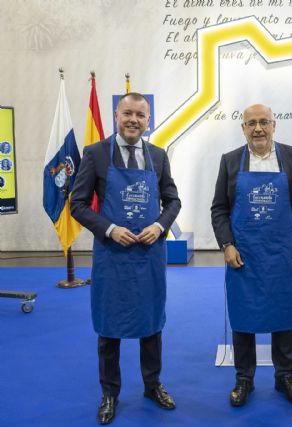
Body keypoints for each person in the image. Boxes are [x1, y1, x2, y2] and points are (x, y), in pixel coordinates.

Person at [71, 92, 181, 424]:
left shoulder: (159, 156)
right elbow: (76, 204)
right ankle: (110, 392)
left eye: (141, 115)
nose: (134, 120)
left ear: (149, 120)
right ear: (116, 115)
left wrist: (160, 226)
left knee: (151, 323)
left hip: (148, 255)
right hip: (112, 255)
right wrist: (108, 229)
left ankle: (153, 385)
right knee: (109, 326)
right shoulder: (95, 154)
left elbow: (172, 201)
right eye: (128, 114)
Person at [211, 104, 292, 407]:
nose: (258, 129)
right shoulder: (230, 162)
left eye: (263, 123)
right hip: (243, 254)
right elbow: (219, 208)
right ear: (242, 128)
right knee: (243, 315)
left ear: (274, 125)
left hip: (282, 252)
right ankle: (244, 378)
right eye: (251, 123)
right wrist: (226, 244)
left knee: (283, 312)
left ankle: (285, 376)